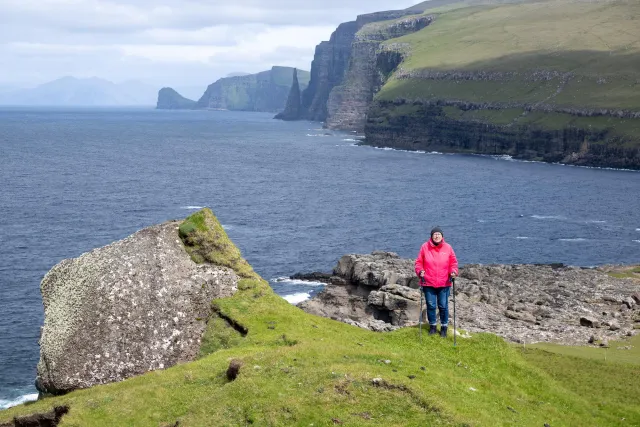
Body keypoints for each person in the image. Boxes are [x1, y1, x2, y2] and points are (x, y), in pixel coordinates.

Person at [415, 227, 458, 337]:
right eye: (435, 234)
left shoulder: (448, 248)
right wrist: (420, 271)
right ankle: (433, 327)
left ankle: (444, 327)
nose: (437, 236)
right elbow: (418, 262)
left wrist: (453, 271)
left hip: (444, 283)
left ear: (442, 236)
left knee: (443, 306)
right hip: (428, 282)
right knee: (431, 305)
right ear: (431, 236)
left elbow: (453, 263)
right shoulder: (425, 247)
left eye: (439, 234)